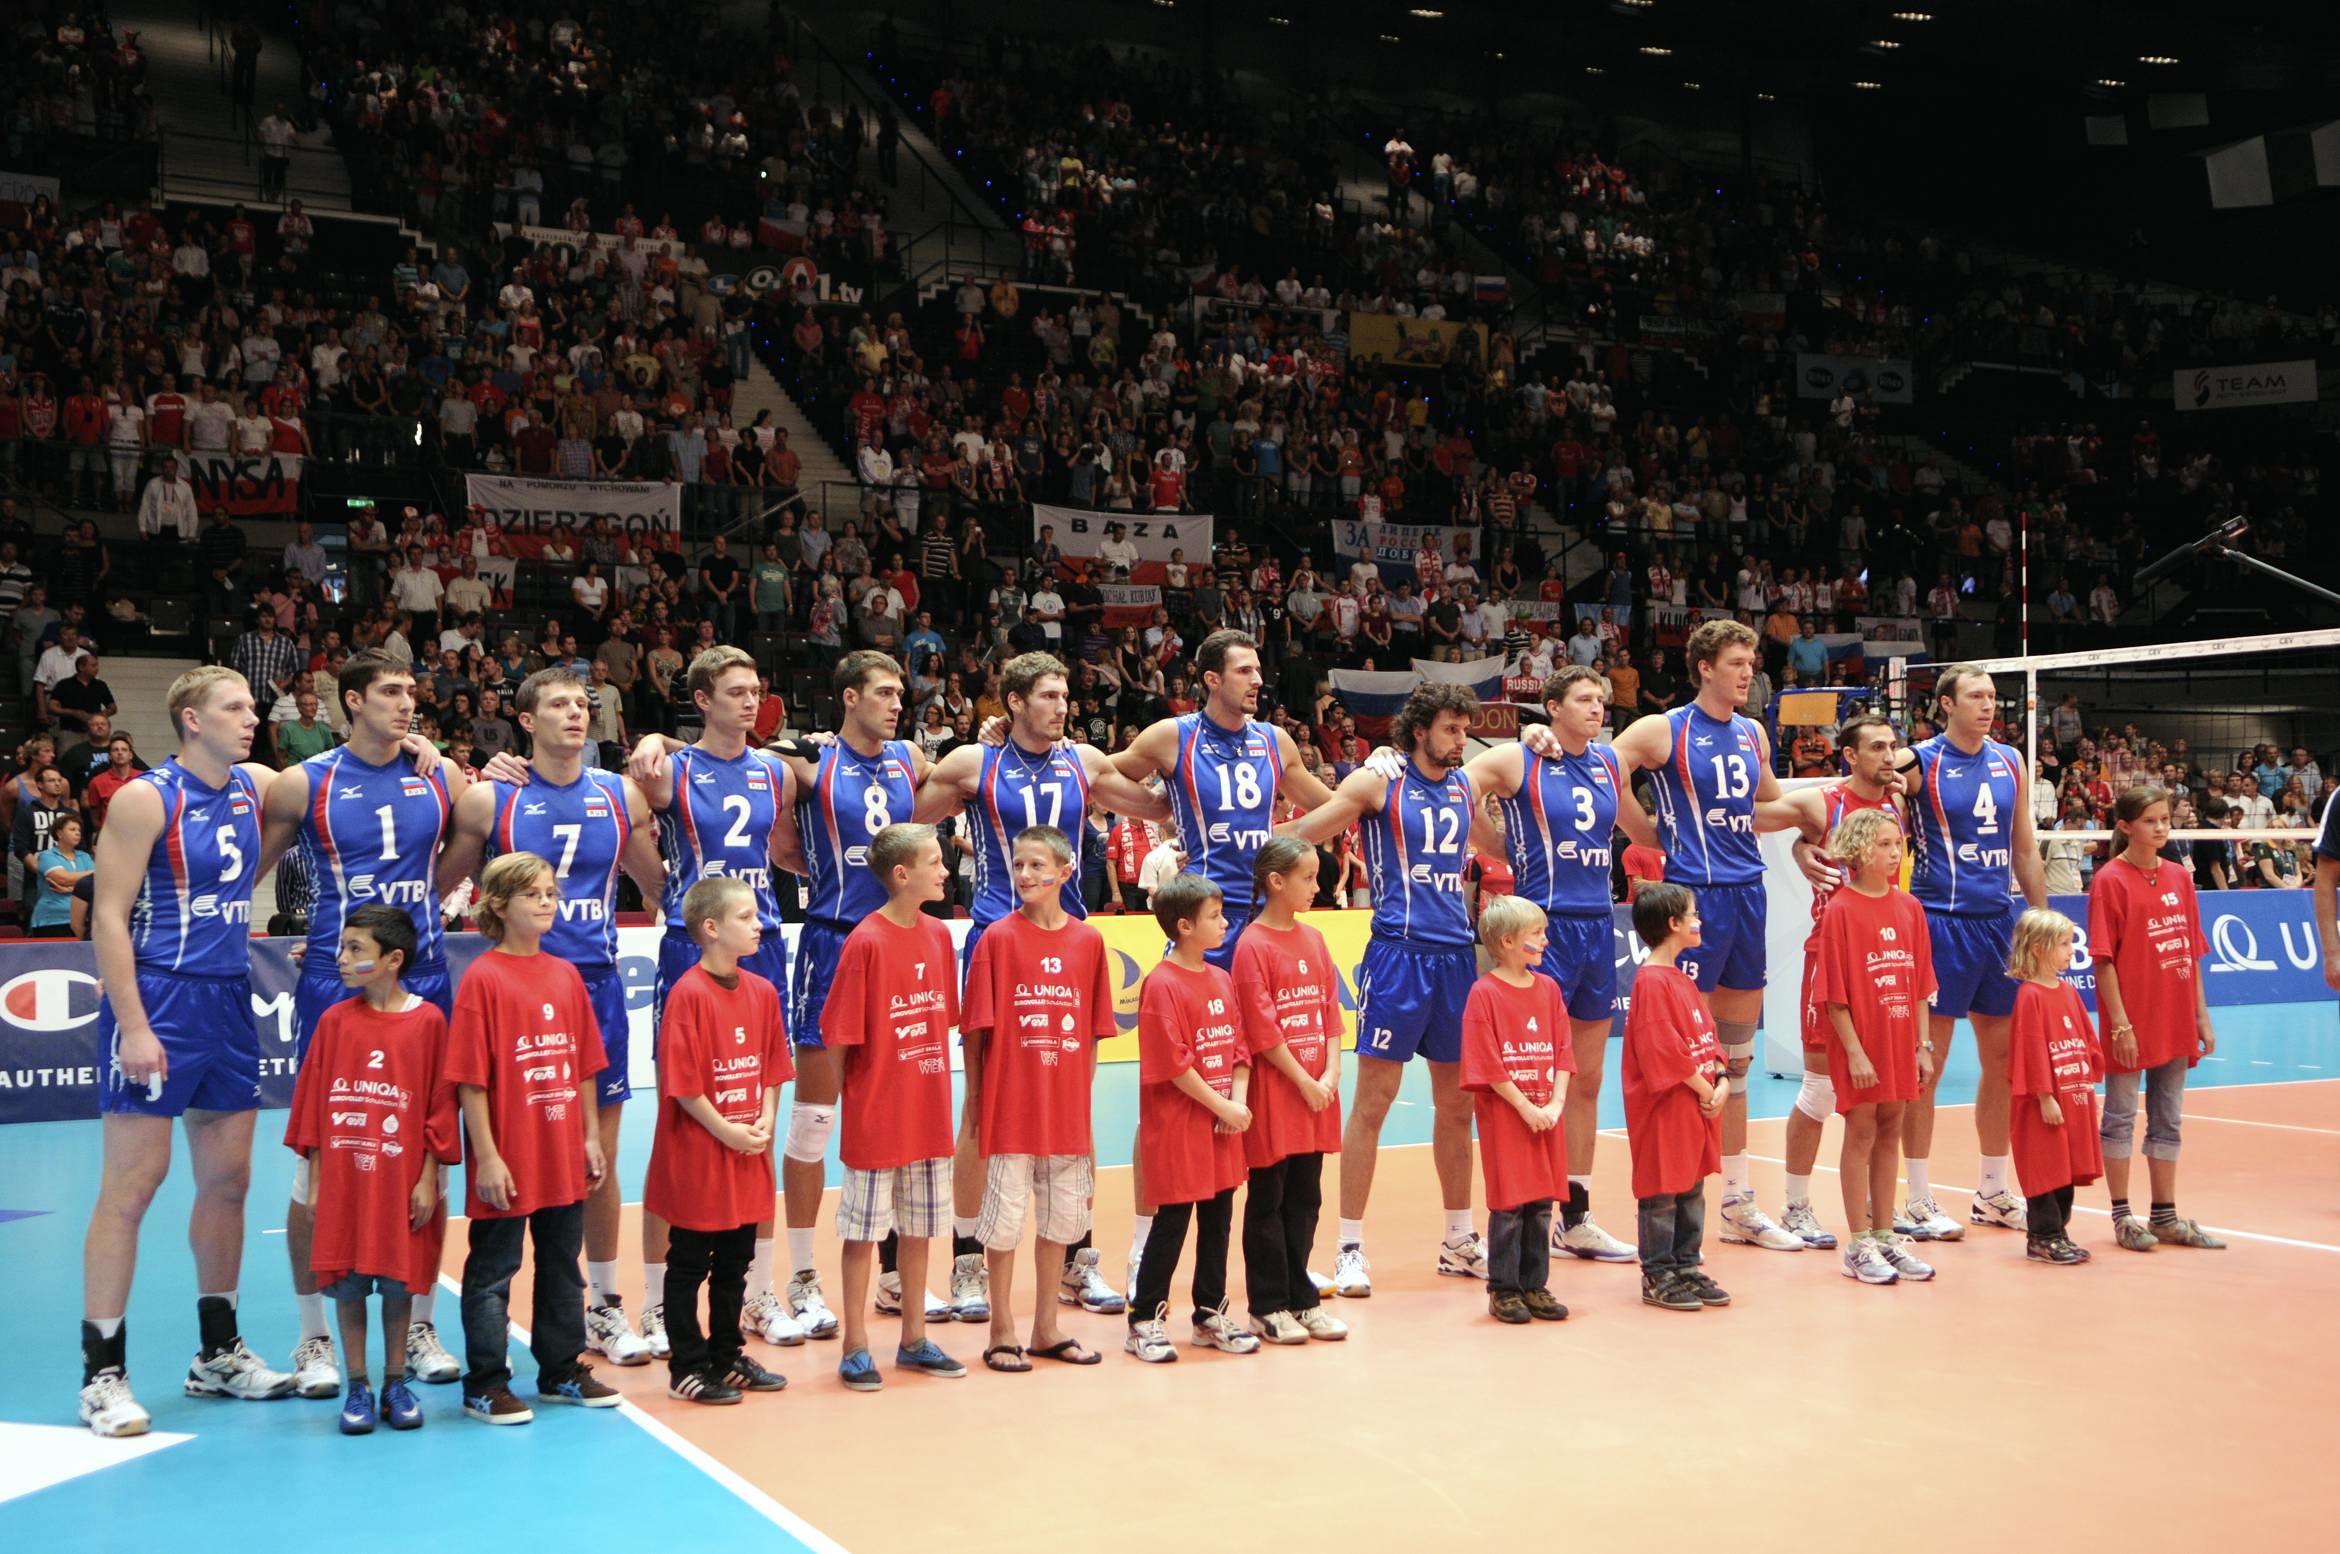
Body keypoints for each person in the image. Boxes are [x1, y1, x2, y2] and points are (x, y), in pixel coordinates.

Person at [1090, 629, 1338, 1300]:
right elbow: (1094, 773)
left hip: (1263, 929)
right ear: (1209, 679)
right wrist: (1154, 807)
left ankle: (1280, 1256)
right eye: (1244, 670)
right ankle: (1145, 1247)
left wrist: (1291, 838)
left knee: (1268, 1092)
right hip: (1202, 931)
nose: (1258, 679)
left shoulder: (1276, 741)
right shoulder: (1171, 738)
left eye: (1258, 668)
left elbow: (1330, 803)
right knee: (1172, 1099)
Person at [80, 667, 295, 1437]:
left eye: (252, 705)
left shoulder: (257, 785)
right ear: (191, 719)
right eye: (235, 707)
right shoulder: (147, 798)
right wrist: (133, 1023)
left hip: (231, 995)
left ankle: (218, 1355)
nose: (252, 717)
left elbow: (339, 779)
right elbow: (108, 917)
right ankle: (102, 1375)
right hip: (160, 997)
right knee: (132, 1186)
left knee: (229, 1183)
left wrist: (426, 756)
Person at [921, 652, 1167, 1315]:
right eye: (1050, 696)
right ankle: (967, 1261)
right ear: (1014, 702)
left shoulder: (1084, 762)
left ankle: (1076, 1260)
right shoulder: (974, 763)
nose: (1064, 706)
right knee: (981, 1105)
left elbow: (1157, 805)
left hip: (1069, 946)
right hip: (996, 946)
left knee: (1073, 1105)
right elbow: (897, 805)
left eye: (1065, 696)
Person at [445, 669, 666, 1366]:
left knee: (597, 1161)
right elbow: (436, 883)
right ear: (526, 720)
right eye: (559, 704)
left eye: (582, 703)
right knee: (509, 1151)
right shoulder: (492, 797)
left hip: (594, 988)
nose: (576, 713)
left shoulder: (619, 794)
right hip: (515, 991)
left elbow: (659, 883)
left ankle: (603, 1306)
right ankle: (488, 1326)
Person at [264, 650, 463, 1398]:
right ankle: (313, 1335)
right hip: (333, 984)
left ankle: (420, 1325)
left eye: (411, 690)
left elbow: (461, 851)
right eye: (390, 691)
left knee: (430, 1155)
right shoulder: (303, 782)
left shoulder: (439, 775)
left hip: (425, 976)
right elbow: (245, 869)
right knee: (321, 1154)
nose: (407, 702)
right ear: (352, 700)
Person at [1578, 619, 1801, 1251]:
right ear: (1704, 667)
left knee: (1735, 1060)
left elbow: (1766, 807)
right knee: (1692, 1060)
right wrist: (1645, 831)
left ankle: (1738, 1201)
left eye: (1752, 663)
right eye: (1736, 663)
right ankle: (1681, 1202)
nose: (1748, 672)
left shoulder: (1754, 732)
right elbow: (1602, 767)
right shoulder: (1665, 728)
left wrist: (1810, 832)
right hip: (1697, 899)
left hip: (1749, 892)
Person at [1281, 681, 1487, 1294]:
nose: (1461, 739)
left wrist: (1535, 735)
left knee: (1459, 1106)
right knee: (1373, 1103)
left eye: (1464, 729)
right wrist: (1233, 848)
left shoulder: (1466, 784)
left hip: (1456, 959)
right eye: (1450, 728)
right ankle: (1349, 1247)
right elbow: (1305, 829)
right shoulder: (1379, 783)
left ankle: (1458, 1239)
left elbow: (1512, 790)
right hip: (1398, 956)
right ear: (1420, 730)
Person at [625, 647, 803, 1351]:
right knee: (680, 1122)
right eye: (735, 691)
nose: (749, 701)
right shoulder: (668, 771)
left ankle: (758, 1293)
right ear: (701, 699)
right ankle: (653, 1302)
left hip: (763, 944)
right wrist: (662, 888)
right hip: (688, 945)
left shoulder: (776, 772)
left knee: (759, 1111)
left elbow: (784, 848)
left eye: (755, 690)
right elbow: (625, 822)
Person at [1464, 665, 1656, 1264]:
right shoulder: (1519, 759)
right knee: (1531, 1075)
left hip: (1598, 925)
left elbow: (1643, 830)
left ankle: (1576, 1215)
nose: (1598, 708)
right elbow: (1457, 789)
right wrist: (1496, 845)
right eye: (1584, 699)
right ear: (1553, 707)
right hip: (1541, 926)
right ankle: (1523, 1210)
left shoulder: (1610, 763)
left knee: (1587, 1078)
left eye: (1601, 699)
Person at [767, 651, 929, 1338]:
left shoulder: (911, 759)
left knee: (891, 1111)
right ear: (849, 697)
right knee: (814, 1117)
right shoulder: (807, 763)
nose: (896, 704)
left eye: (900, 693)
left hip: (898, 946)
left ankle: (891, 1274)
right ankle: (803, 1276)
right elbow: (775, 837)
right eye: (883, 693)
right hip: (833, 943)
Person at [448, 852, 619, 1424]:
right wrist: (488, 1157)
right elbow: (470, 1080)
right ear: (498, 905)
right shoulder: (483, 978)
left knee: (562, 1263)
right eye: (532, 895)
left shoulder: (565, 974)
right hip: (510, 1155)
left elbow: (584, 1065)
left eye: (550, 893)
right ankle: (485, 1383)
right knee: (494, 1269)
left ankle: (560, 1369)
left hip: (561, 1151)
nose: (546, 903)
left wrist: (590, 1137)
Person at [282, 906, 457, 1434]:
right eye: (343, 947)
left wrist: (427, 1177)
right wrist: (316, 1181)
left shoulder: (429, 1022)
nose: (341, 958)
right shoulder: (334, 1022)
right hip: (346, 1181)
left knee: (400, 1285)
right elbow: (314, 1103)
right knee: (349, 1283)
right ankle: (356, 1384)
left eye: (356, 949)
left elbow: (439, 1105)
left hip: (402, 1179)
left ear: (393, 959)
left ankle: (395, 1381)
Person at [1896, 663, 2047, 1234]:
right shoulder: (1918, 761)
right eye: (1976, 696)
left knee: (2003, 1063)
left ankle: (1992, 1191)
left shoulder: (2011, 761)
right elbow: (1857, 796)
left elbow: (2024, 848)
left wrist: (2040, 918)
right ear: (1946, 704)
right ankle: (1916, 1195)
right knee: (1926, 1065)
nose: (1988, 705)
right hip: (1939, 922)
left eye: (1992, 697)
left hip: (1998, 923)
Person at [819, 823, 969, 1390]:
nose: (945, 871)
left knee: (919, 1229)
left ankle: (913, 1339)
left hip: (927, 1114)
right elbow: (838, 1038)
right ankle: (856, 1346)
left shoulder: (938, 936)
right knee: (863, 1234)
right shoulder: (866, 942)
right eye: (935, 862)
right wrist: (855, 1105)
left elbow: (940, 1019)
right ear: (902, 875)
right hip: (876, 1119)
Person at [961, 826, 1116, 1371]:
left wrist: (1080, 1103)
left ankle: (1046, 1327)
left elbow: (1093, 1034)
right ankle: (1001, 1328)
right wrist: (977, 1103)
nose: (1025, 875)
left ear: (1065, 872)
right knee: (1004, 1225)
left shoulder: (1088, 942)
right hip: (1010, 1111)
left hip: (1065, 1114)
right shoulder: (997, 940)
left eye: (1037, 866)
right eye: (1019, 865)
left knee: (1059, 1223)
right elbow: (975, 1034)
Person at [644, 876, 791, 1404]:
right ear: (710, 928)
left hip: (747, 1150)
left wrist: (765, 1119)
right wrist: (727, 1130)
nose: (759, 925)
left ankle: (727, 1355)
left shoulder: (762, 992)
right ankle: (686, 1365)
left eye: (757, 915)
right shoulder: (687, 995)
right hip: (701, 1153)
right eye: (746, 917)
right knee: (688, 1262)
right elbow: (684, 1086)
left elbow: (773, 1067)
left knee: (735, 1260)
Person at [1761, 712, 1905, 1247]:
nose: (1888, 756)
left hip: (1887, 958)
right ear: (1849, 755)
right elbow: (1748, 815)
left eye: (1891, 746)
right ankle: (1796, 1206)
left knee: (1886, 1096)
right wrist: (1799, 846)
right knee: (1821, 1089)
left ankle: (1879, 1210)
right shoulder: (1822, 803)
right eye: (1876, 747)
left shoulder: (1899, 800)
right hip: (1834, 954)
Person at [1126, 873, 1260, 1363]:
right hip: (1181, 1127)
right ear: (1184, 926)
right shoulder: (1162, 984)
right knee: (1173, 1221)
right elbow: (1173, 1063)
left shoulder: (1221, 979)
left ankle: (1209, 1312)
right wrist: (1221, 1106)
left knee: (1219, 1219)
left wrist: (1235, 1104)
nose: (1224, 923)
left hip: (1222, 1126)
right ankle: (1144, 1318)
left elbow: (1239, 1049)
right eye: (1215, 916)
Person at [2090, 785, 2223, 1252]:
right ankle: (2122, 1216)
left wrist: (2201, 1016)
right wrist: (2120, 1025)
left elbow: (2191, 950)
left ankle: (2164, 1215)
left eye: (2165, 819)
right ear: (2126, 826)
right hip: (2131, 1019)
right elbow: (2103, 960)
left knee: (2168, 1118)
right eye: (2150, 820)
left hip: (2175, 1015)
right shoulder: (2110, 879)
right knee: (2120, 1117)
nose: (2161, 827)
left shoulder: (2179, 877)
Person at [1811, 809, 1939, 1286]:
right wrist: (1855, 1052)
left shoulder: (1910, 907)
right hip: (1861, 1042)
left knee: (1891, 1130)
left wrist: (1922, 1045)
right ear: (1860, 850)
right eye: (1884, 844)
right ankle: (1858, 1243)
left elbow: (1921, 984)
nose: (1894, 852)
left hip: (1901, 1039)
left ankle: (1885, 1235)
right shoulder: (1841, 909)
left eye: (1897, 843)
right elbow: (1833, 995)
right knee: (1861, 1131)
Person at [1229, 837, 1348, 1343]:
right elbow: (1262, 1028)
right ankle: (1268, 1304)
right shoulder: (1252, 945)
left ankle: (1302, 1297)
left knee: (1306, 1197)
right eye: (1308, 878)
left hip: (1317, 1093)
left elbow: (1329, 1013)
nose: (1317, 887)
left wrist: (1331, 1074)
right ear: (1276, 882)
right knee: (1269, 1198)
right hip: (1279, 1094)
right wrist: (1303, 1080)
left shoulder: (1315, 939)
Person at [1459, 897, 1573, 1325]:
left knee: (1541, 1202)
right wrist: (1525, 1107)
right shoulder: (1484, 994)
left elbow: (1563, 1051)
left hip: (1546, 1114)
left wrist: (1555, 1102)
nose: (1545, 941)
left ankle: (1535, 1284)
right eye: (1536, 934)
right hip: (1509, 1116)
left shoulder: (1549, 990)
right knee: (1510, 1205)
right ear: (1507, 941)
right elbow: (1487, 1062)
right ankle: (1504, 1289)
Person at [1620, 883, 1729, 1313]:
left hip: (1695, 1102)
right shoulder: (1651, 982)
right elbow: (1661, 1049)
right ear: (1673, 924)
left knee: (1691, 1187)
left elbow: (1707, 1034)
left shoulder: (1681, 979)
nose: (1699, 921)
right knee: (1663, 1190)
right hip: (1667, 1107)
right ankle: (1658, 1273)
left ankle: (1686, 1264)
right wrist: (1705, 1087)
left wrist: (1721, 1076)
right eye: (1693, 914)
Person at [2006, 910, 2103, 1266]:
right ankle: (2042, 1237)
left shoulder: (2068, 992)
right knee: (2046, 1166)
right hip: (2044, 1101)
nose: (2071, 951)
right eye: (2063, 944)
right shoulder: (2030, 996)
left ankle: (2059, 1232)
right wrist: (2045, 1096)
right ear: (2037, 947)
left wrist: (2089, 1085)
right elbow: (2030, 1049)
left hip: (2072, 1094)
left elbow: (2085, 1038)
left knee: (2067, 1166)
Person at [30, 812, 94, 935]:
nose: (78, 833)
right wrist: (94, 872)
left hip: (83, 919)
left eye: (79, 830)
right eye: (72, 829)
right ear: (59, 833)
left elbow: (95, 884)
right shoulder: (47, 856)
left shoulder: (85, 856)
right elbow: (62, 879)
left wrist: (69, 889)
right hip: (52, 920)